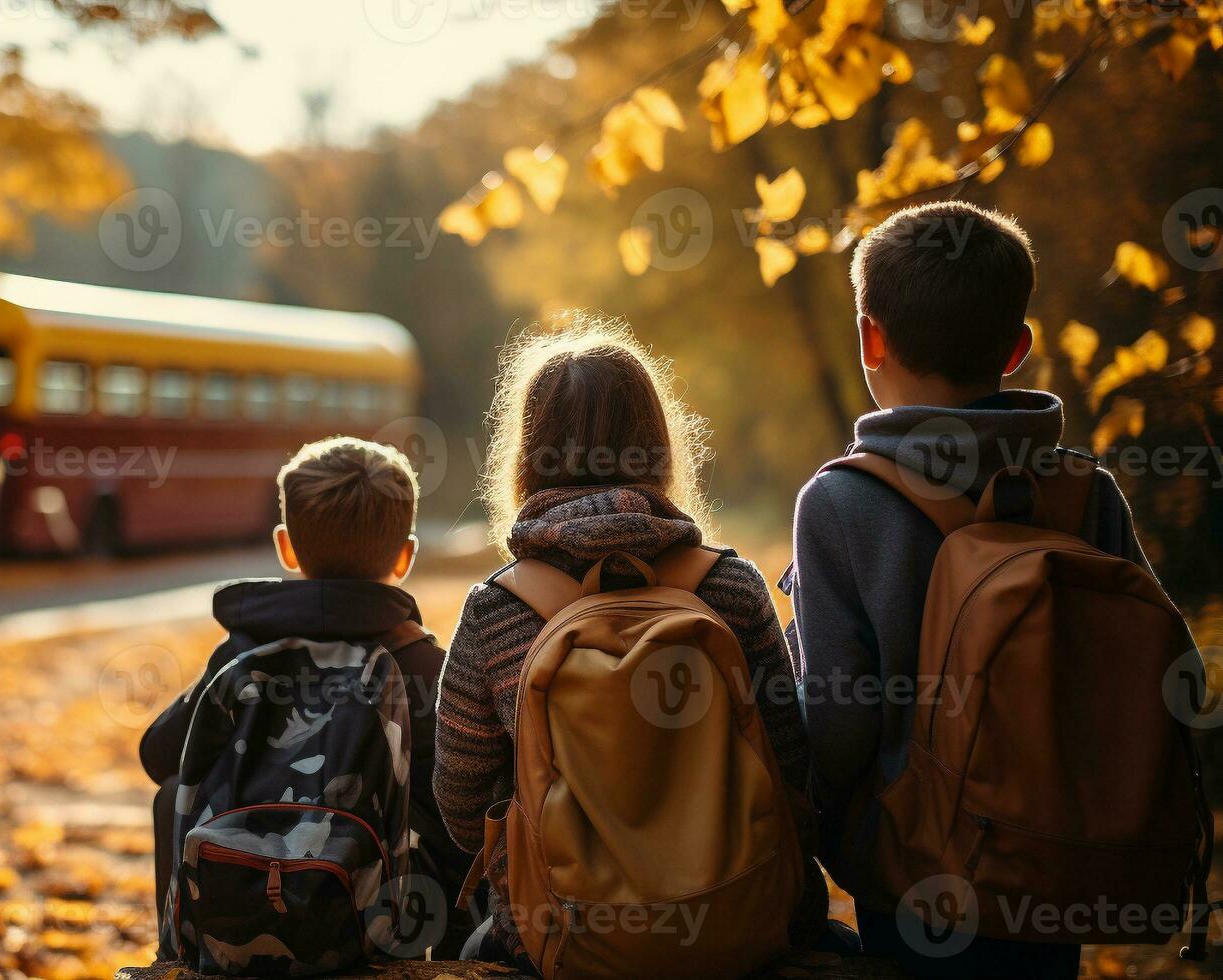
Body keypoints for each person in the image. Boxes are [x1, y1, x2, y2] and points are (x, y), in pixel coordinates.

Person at [789, 202, 1179, 978]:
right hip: (1054, 855)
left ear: (871, 337)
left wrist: (807, 823)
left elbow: (838, 718)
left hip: (913, 874)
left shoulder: (840, 504)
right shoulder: (1082, 492)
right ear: (1016, 348)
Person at [436, 317, 831, 968]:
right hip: (744, 922)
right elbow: (793, 775)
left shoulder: (497, 611)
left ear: (527, 454)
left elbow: (461, 810)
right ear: (657, 444)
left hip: (563, 937)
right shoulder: (727, 587)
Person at [140, 436, 475, 965]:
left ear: (286, 547)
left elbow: (157, 753)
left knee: (173, 793)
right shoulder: (426, 669)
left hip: (241, 900)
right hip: (385, 929)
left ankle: (178, 957)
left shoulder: (246, 653)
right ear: (406, 556)